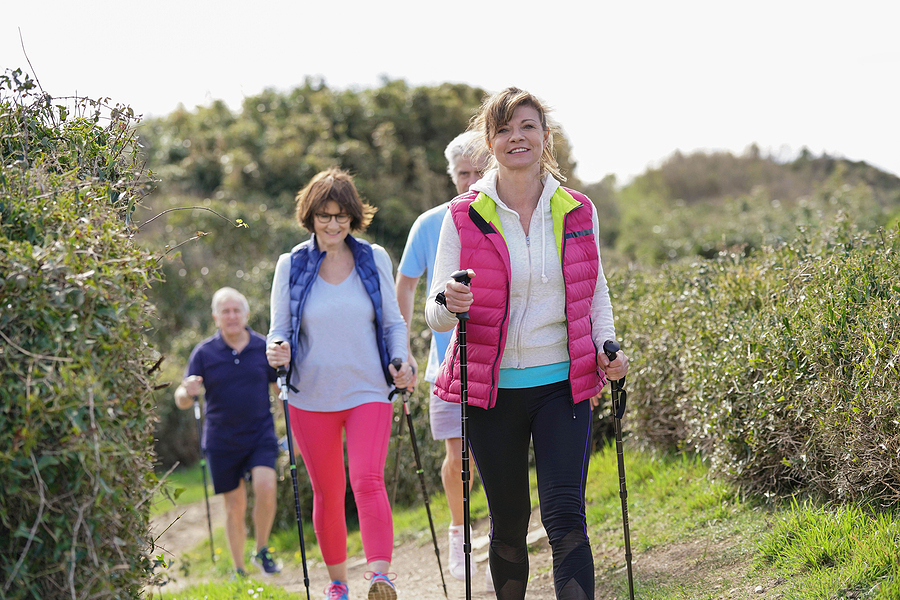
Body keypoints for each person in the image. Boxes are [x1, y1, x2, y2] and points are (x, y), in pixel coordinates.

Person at [425, 87, 630, 600]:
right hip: (494, 391)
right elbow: (435, 316)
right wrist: (450, 301)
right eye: (504, 129)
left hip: (563, 382)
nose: (517, 137)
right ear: (490, 142)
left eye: (528, 126)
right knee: (510, 527)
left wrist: (607, 346)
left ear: (545, 136)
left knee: (566, 519)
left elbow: (595, 288)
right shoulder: (462, 214)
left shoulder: (578, 209)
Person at [266, 167, 413, 600]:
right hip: (310, 395)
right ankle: (337, 583)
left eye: (341, 216)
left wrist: (400, 360)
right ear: (310, 217)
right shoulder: (291, 264)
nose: (333, 225)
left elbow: (392, 322)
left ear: (353, 217)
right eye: (324, 216)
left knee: (368, 479)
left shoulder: (374, 258)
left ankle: (380, 578)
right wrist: (277, 348)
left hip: (369, 388)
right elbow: (278, 328)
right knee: (329, 492)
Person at [394, 130, 493, 589]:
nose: (471, 181)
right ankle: (460, 535)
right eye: (462, 175)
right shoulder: (430, 222)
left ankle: (496, 539)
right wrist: (404, 348)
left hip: (498, 364)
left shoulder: (505, 216)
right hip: (445, 366)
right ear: (451, 176)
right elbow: (407, 283)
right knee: (457, 454)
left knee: (492, 456)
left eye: (478, 172)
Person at [174, 287, 281, 577]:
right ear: (216, 317)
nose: (232, 316)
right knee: (235, 505)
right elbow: (182, 400)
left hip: (260, 435)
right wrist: (187, 390)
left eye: (236, 311)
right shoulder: (204, 353)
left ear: (246, 315)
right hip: (222, 440)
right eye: (226, 311)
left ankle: (261, 549)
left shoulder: (263, 347)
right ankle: (239, 569)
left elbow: (281, 392)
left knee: (266, 487)